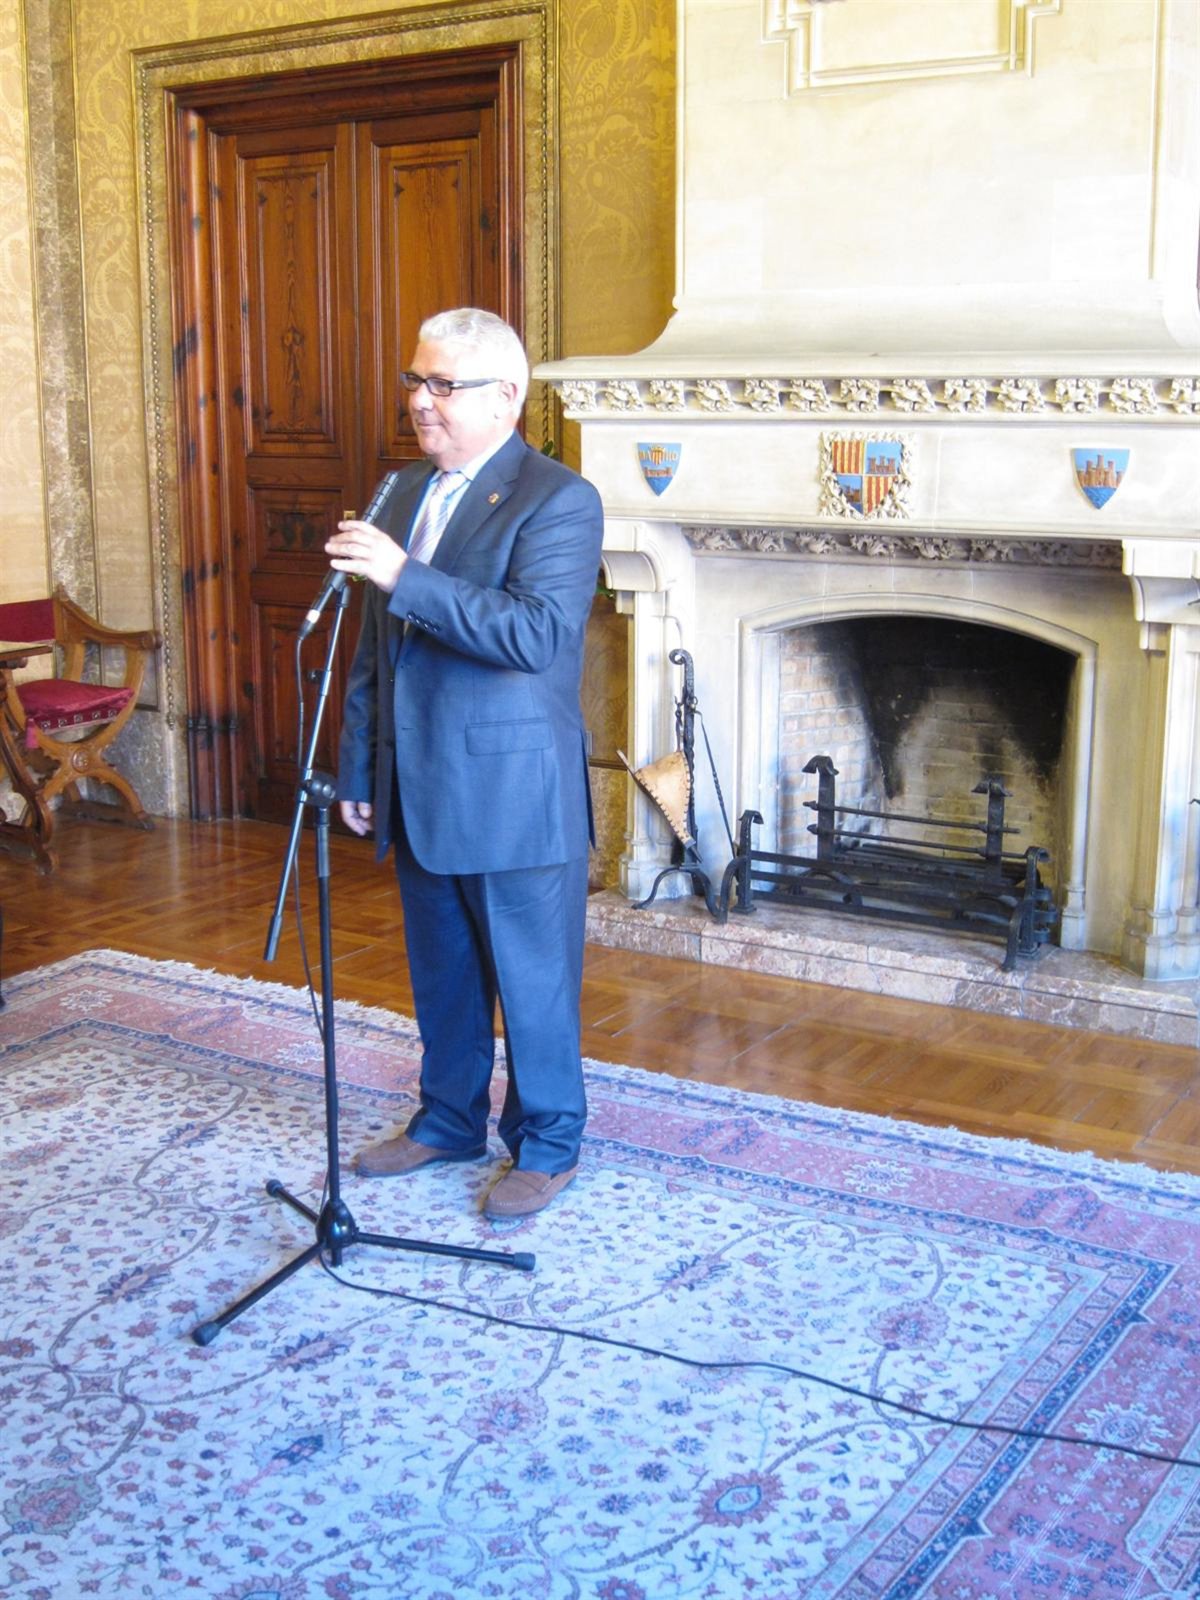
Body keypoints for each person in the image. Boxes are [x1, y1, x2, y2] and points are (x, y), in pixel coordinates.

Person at [327, 308, 604, 1220]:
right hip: (418, 779)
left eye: (444, 385)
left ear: (506, 397)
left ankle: (549, 1143)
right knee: (443, 973)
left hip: (515, 790)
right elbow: (375, 649)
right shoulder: (401, 490)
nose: (421, 400)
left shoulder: (558, 499)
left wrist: (404, 575)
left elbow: (535, 634)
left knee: (532, 982)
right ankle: (448, 1119)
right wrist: (360, 767)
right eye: (416, 379)